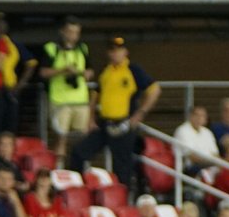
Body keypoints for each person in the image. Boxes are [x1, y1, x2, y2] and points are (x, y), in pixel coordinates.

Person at [68, 37, 160, 189]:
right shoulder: (106, 72)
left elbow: (154, 89)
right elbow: (95, 96)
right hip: (104, 123)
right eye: (112, 50)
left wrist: (140, 114)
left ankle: (122, 201)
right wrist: (91, 119)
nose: (114, 54)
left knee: (122, 167)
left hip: (123, 124)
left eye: (118, 50)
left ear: (125, 52)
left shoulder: (133, 70)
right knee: (78, 152)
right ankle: (77, 189)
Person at [30, 17, 93, 163]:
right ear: (62, 31)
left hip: (81, 101)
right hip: (60, 101)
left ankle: (80, 168)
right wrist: (63, 70)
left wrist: (87, 73)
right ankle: (60, 169)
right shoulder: (52, 48)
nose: (73, 36)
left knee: (83, 138)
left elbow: (90, 70)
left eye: (76, 32)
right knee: (61, 138)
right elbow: (43, 73)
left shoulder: (83, 48)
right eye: (70, 32)